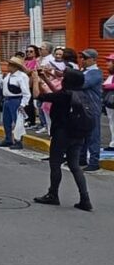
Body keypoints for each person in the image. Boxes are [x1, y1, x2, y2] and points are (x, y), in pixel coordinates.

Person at [31, 68, 92, 211]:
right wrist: (45, 79)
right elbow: (56, 94)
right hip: (78, 134)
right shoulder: (81, 94)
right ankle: (85, 199)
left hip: (62, 133)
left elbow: (37, 95)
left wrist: (35, 79)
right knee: (74, 166)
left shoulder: (64, 95)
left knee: (55, 164)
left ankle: (53, 194)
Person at [78, 49, 104, 172]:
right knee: (82, 134)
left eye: (85, 58)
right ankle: (81, 158)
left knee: (93, 135)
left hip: (92, 107)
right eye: (82, 57)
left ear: (93, 59)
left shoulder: (95, 73)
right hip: (82, 107)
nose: (82, 60)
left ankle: (94, 161)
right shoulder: (84, 71)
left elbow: (82, 84)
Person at [0, 56, 31, 149]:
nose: (8, 66)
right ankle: (8, 139)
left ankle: (18, 141)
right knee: (6, 121)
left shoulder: (21, 76)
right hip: (7, 99)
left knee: (18, 122)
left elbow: (26, 93)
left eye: (10, 65)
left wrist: (23, 104)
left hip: (16, 100)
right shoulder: (9, 75)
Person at [105, 53, 114, 149]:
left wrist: (105, 86)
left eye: (109, 61)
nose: (107, 63)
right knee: (112, 123)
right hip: (110, 104)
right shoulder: (111, 75)